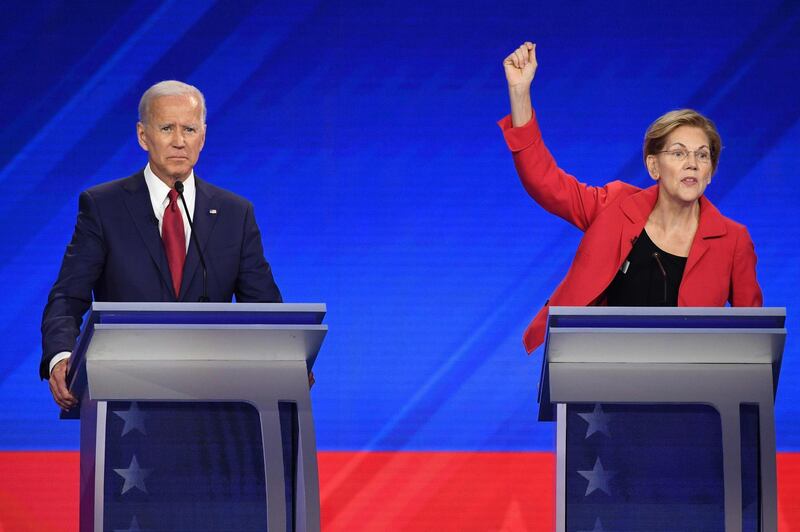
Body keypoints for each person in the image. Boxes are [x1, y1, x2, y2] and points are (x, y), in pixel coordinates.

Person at [500, 42, 762, 353]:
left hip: (688, 388)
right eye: (678, 153)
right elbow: (544, 182)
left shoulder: (733, 241)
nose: (692, 163)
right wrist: (520, 93)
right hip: (600, 374)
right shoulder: (615, 206)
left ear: (710, 172)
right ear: (654, 166)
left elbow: (754, 344)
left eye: (702, 156)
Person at [41, 80, 286, 409]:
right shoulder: (103, 206)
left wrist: (289, 363)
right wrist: (61, 356)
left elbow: (265, 311)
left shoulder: (235, 213)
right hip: (125, 398)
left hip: (215, 399)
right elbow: (67, 298)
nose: (179, 141)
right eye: (167, 128)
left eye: (189, 128)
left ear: (203, 135)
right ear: (143, 135)